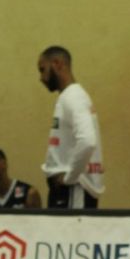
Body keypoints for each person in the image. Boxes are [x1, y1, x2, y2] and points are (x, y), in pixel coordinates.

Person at [37, 46, 104, 208]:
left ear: (57, 64)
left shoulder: (74, 97)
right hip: (67, 190)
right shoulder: (70, 96)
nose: (41, 78)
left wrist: (70, 178)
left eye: (42, 70)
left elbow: (87, 141)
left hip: (73, 190)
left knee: (74, 226)